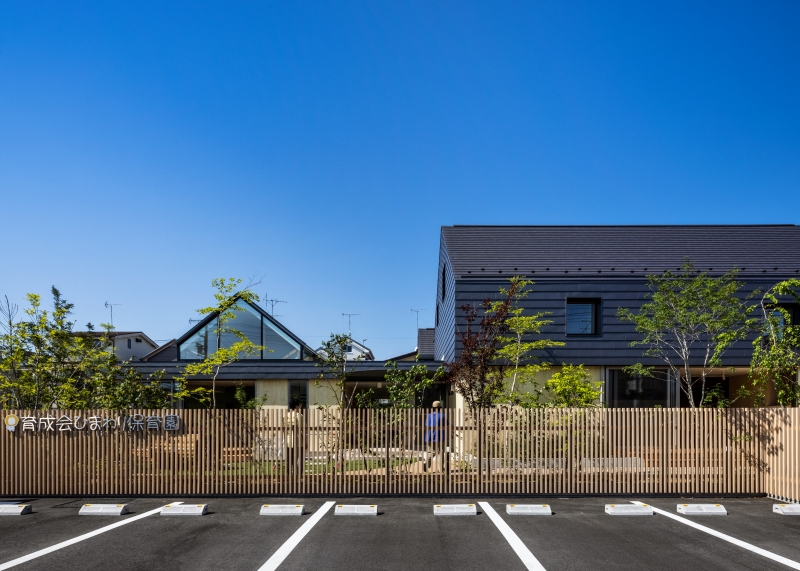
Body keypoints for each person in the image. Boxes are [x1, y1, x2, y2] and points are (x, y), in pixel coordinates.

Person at [424, 401, 447, 473]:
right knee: (440, 453)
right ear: (440, 408)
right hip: (440, 437)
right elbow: (447, 426)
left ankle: (426, 464)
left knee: (430, 452)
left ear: (433, 408)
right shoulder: (443, 416)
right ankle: (440, 469)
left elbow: (426, 425)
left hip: (429, 436)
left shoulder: (429, 416)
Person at [285, 400, 305, 476]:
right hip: (298, 441)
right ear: (296, 406)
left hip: (288, 441)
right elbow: (302, 430)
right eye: (300, 406)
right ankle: (298, 475)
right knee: (299, 459)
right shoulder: (299, 416)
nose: (300, 407)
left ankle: (288, 475)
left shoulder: (285, 416)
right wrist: (305, 441)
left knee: (289, 460)